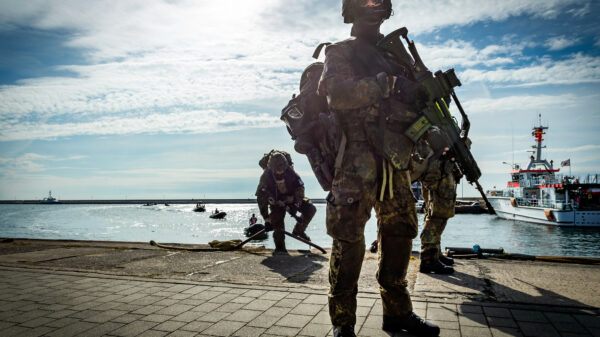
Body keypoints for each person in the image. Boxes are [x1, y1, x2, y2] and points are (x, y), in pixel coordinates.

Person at [316, 0, 439, 336]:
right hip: (357, 159)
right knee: (348, 238)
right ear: (351, 10)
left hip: (396, 159)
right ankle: (343, 323)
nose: (374, 7)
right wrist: (385, 84)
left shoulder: (397, 55)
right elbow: (337, 94)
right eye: (366, 1)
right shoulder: (340, 52)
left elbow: (415, 105)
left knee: (400, 232)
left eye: (379, 2)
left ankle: (397, 314)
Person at [410, 140, 457, 274]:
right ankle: (428, 260)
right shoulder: (427, 141)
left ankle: (435, 255)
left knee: (440, 221)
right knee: (433, 222)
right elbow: (426, 162)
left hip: (441, 181)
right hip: (436, 182)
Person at [255, 152, 317, 253]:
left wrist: (295, 204)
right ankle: (280, 249)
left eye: (282, 170)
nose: (279, 172)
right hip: (276, 204)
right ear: (271, 168)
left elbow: (300, 189)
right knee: (278, 226)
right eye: (277, 170)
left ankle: (299, 230)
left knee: (311, 209)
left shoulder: (291, 173)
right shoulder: (265, 177)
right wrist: (266, 219)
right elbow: (260, 198)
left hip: (291, 199)